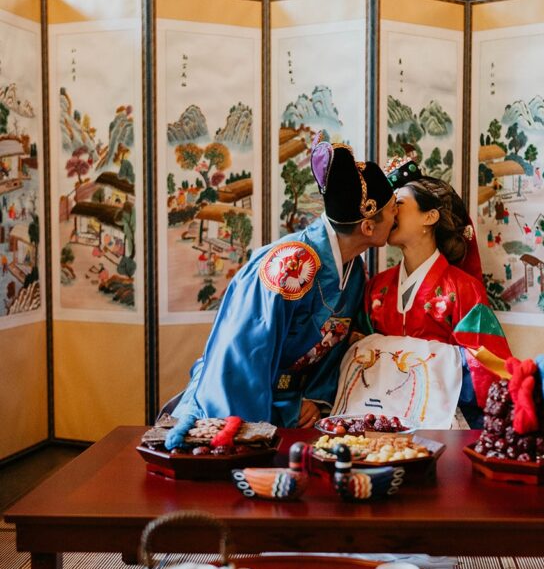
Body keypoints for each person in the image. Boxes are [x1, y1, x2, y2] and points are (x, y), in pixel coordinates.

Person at [168, 137, 397, 428]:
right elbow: (241, 356)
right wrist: (253, 427)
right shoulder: (289, 264)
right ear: (367, 226)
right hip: (237, 410)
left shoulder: (353, 271)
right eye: (392, 209)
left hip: (294, 413)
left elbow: (331, 356)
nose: (397, 216)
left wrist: (313, 401)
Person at [333, 159, 510, 428]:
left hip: (439, 423)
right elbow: (352, 351)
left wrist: (412, 357)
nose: (390, 211)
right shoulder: (376, 288)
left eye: (399, 203)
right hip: (376, 422)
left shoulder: (462, 289)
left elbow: (490, 367)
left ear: (430, 217)